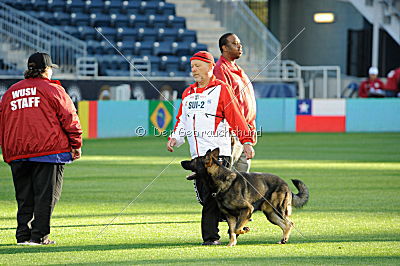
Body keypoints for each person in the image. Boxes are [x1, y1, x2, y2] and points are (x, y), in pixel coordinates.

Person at [166, 51, 255, 245]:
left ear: (210, 66)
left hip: (218, 155)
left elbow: (236, 117)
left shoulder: (221, 89)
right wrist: (175, 138)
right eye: (192, 67)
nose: (194, 70)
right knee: (205, 198)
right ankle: (237, 216)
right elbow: (182, 120)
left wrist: (246, 141)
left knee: (210, 199)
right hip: (197, 158)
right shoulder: (188, 93)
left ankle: (211, 238)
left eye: (198, 66)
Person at [0, 52, 82, 245]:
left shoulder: (11, 91)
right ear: (46, 70)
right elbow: (70, 118)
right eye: (51, 68)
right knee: (47, 196)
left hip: (17, 153)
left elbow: (2, 123)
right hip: (48, 152)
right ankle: (38, 237)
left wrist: (7, 148)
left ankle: (22, 236)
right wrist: (76, 145)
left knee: (24, 197)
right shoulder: (53, 90)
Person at [213, 33, 257, 173]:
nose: (239, 46)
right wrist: (231, 132)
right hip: (232, 132)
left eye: (239, 43)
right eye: (234, 43)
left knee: (243, 181)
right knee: (226, 178)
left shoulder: (239, 70)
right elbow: (225, 103)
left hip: (244, 131)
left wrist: (250, 128)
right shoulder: (220, 69)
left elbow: (247, 103)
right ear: (224, 48)